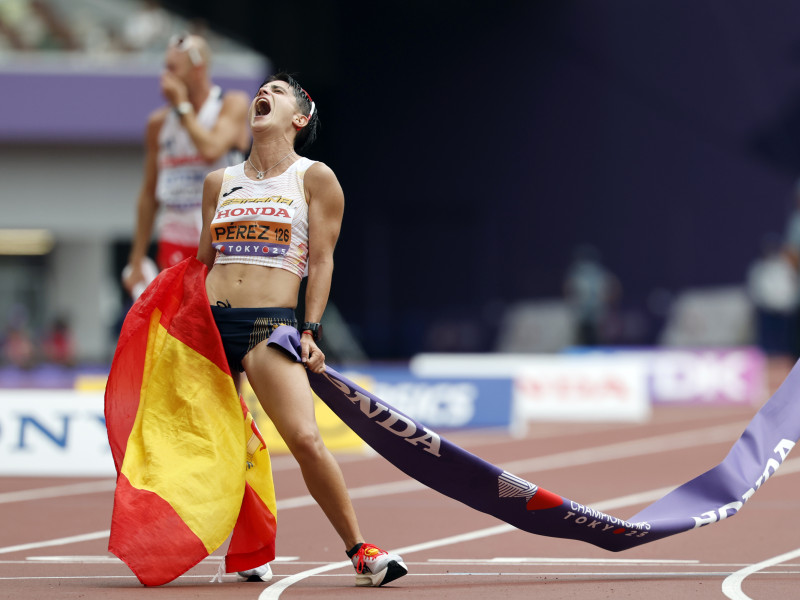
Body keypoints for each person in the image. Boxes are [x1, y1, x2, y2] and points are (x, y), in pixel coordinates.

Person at [196, 73, 408, 587]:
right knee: (220, 444)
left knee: (306, 438)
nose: (262, 94)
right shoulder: (217, 183)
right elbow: (202, 261)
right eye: (260, 90)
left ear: (299, 118)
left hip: (270, 325)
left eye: (277, 91)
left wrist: (310, 330)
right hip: (209, 325)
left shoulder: (315, 178)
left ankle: (360, 551)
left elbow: (322, 259)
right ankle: (247, 549)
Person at [123, 32, 250, 297]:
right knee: (181, 328)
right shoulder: (158, 124)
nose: (164, 76)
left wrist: (182, 106)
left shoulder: (231, 104)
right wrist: (136, 260)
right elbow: (149, 194)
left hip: (223, 240)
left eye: (172, 68)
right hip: (175, 239)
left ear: (198, 68)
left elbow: (211, 148)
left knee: (216, 323)